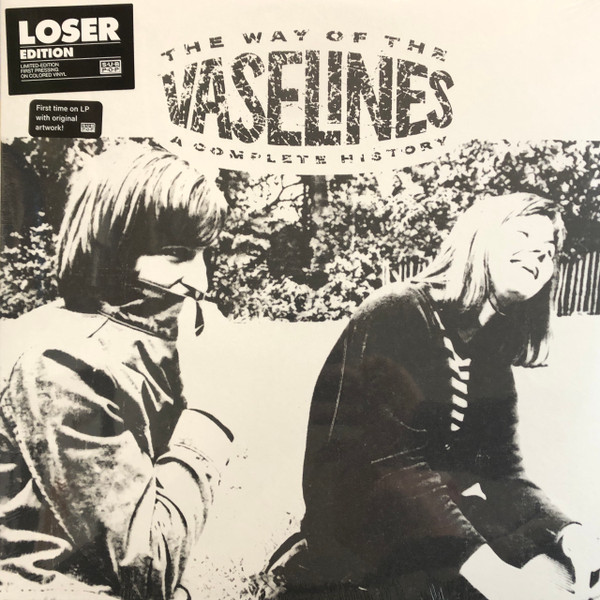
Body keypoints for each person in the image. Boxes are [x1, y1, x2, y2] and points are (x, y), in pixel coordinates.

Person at [267, 193, 600, 600]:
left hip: (429, 528)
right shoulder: (398, 311)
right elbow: (392, 465)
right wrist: (493, 575)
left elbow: (504, 473)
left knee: (568, 566)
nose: (538, 254)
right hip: (357, 536)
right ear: (479, 238)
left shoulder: (489, 357)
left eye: (548, 250)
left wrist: (569, 533)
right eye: (523, 235)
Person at [0, 144, 233, 599]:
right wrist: (209, 412)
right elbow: (147, 571)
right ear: (112, 251)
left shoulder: (128, 350)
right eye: (176, 254)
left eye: (203, 255)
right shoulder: (62, 366)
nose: (201, 283)